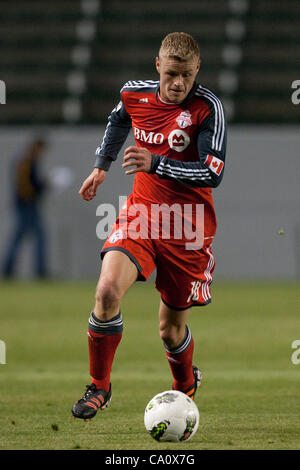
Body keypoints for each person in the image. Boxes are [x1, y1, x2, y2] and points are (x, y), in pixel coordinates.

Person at [72, 32, 227, 420]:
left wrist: (156, 163)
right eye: (172, 74)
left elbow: (212, 172)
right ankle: (99, 387)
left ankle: (185, 384)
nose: (179, 84)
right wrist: (100, 168)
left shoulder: (207, 108)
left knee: (170, 331)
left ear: (197, 72)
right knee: (107, 291)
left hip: (187, 227)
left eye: (187, 76)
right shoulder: (134, 95)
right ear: (158, 65)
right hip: (140, 214)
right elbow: (118, 120)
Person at [2, 137, 49, 279]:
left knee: (20, 238)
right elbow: (26, 186)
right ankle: (38, 271)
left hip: (26, 204)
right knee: (33, 237)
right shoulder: (26, 162)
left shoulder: (26, 161)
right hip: (27, 205)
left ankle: (8, 270)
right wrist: (41, 188)